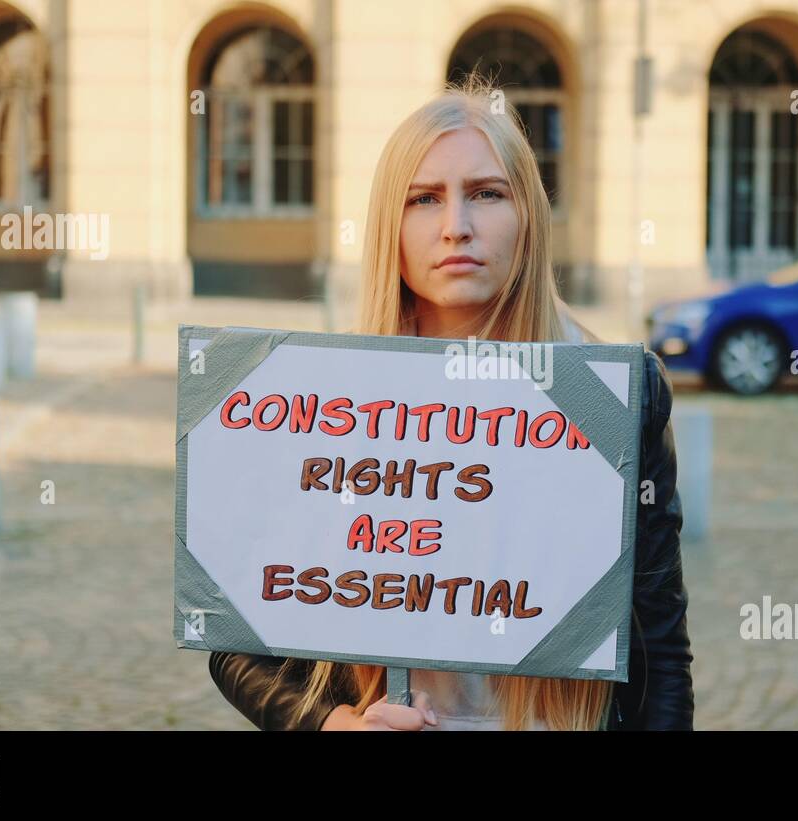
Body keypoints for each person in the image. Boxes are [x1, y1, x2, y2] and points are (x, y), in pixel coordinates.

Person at [208, 72, 693, 730]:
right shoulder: (320, 400)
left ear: (528, 215)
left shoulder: (617, 397)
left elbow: (661, 649)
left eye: (486, 194)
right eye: (424, 199)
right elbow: (238, 640)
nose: (456, 227)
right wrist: (334, 723)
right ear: (390, 224)